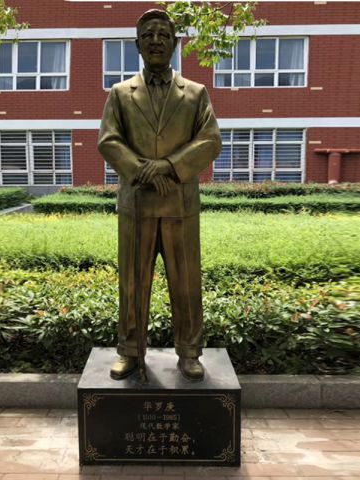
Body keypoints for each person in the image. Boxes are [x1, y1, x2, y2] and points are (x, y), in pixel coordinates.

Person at [98, 8, 221, 381]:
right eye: (148, 35)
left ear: (175, 43)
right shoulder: (120, 94)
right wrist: (142, 170)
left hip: (180, 205)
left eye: (163, 35)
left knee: (186, 282)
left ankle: (189, 353)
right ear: (137, 44)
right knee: (133, 283)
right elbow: (108, 140)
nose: (155, 41)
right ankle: (130, 351)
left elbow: (210, 140)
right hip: (136, 203)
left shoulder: (195, 93)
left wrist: (167, 165)